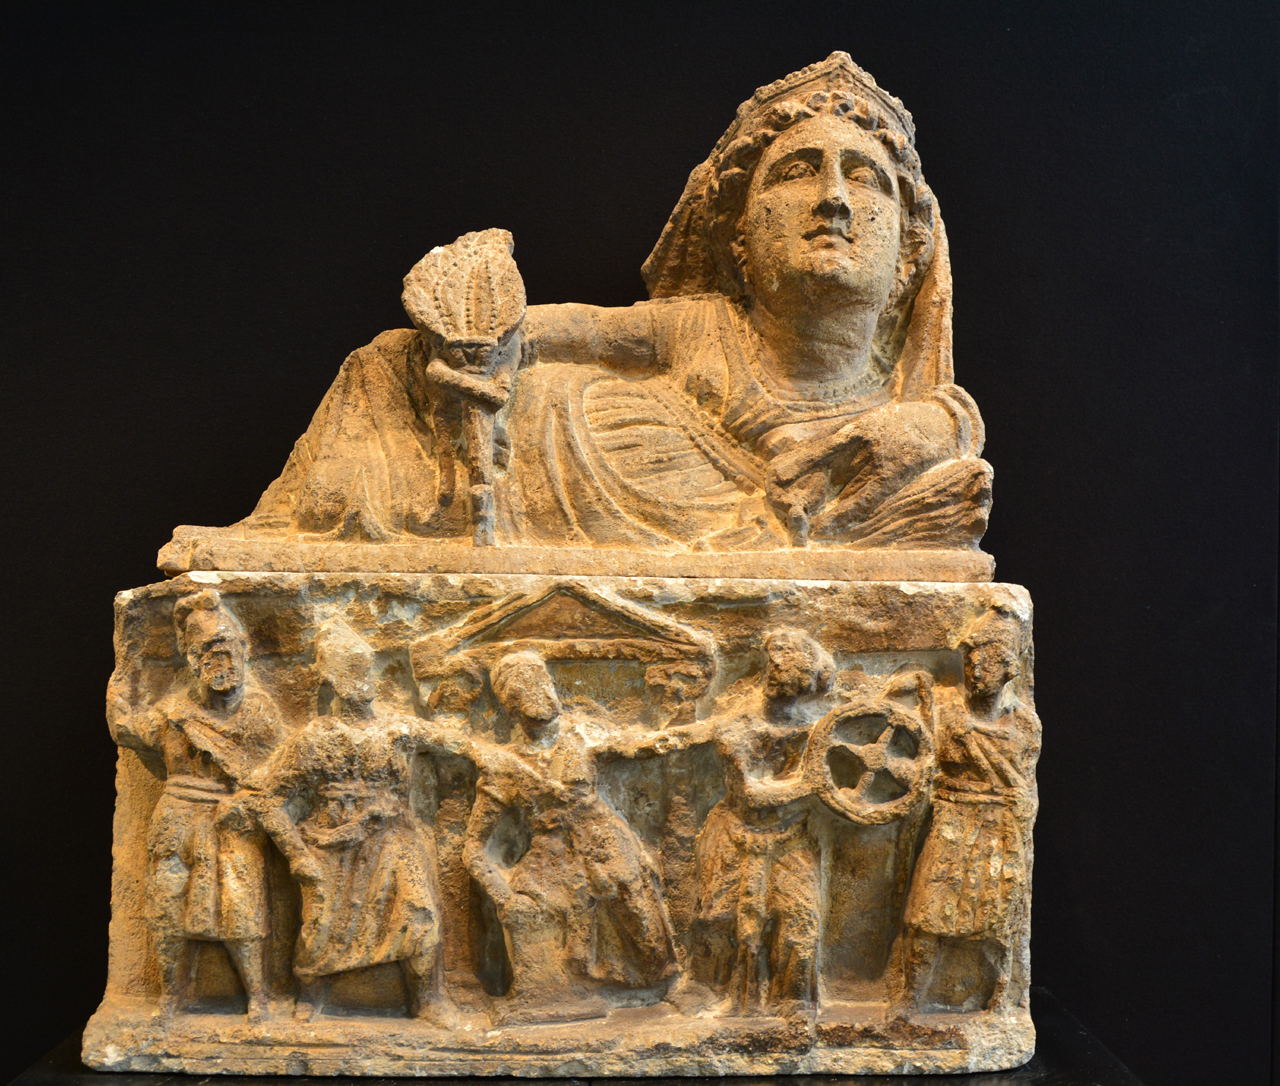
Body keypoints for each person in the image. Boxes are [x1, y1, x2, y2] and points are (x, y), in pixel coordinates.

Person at [234, 52, 989, 552]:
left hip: (733, 528)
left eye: (865, 177)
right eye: (796, 171)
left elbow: (951, 445)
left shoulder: (925, 429)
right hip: (587, 485)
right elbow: (569, 332)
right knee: (392, 364)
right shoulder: (700, 327)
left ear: (910, 253)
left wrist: (935, 428)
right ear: (738, 240)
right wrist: (483, 332)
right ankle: (323, 529)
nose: (833, 199)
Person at [252, 616, 459, 1024]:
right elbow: (267, 801)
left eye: (365, 668)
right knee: (321, 925)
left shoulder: (398, 729)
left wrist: (453, 695)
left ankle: (428, 999)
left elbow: (456, 742)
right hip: (330, 843)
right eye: (351, 669)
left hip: (392, 837)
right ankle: (310, 994)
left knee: (418, 909)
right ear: (330, 678)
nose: (362, 679)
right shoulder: (313, 738)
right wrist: (296, 854)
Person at [462, 651, 680, 1025]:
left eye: (544, 682)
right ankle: (552, 995)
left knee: (650, 943)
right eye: (527, 687)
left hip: (607, 848)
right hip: (551, 859)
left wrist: (693, 729)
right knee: (529, 913)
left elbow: (645, 744)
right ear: (510, 705)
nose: (543, 693)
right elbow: (473, 846)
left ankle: (650, 992)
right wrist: (502, 894)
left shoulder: (583, 736)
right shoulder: (504, 766)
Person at [107, 589, 285, 1020]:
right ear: (191, 659)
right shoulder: (173, 713)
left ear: (244, 650)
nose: (219, 660)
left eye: (226, 649)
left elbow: (278, 772)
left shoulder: (259, 712)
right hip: (178, 820)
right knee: (168, 907)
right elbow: (125, 728)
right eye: (207, 652)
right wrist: (126, 668)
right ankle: (172, 995)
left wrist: (249, 802)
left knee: (242, 907)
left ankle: (258, 996)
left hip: (231, 820)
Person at [681, 629, 835, 1019]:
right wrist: (812, 787)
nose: (782, 686)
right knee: (722, 920)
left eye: (794, 684)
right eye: (777, 674)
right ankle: (719, 992)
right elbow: (751, 794)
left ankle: (793, 1000)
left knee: (801, 920)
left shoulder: (819, 731)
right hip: (736, 833)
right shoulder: (737, 727)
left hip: (792, 837)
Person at [895, 608, 1040, 1013]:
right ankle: (910, 997)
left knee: (999, 920)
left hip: (1001, 827)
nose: (976, 673)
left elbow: (1026, 787)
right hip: (951, 819)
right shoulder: (944, 711)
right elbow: (920, 764)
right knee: (925, 913)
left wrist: (1020, 815)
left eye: (986, 665)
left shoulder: (1024, 725)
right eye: (971, 664)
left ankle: (1001, 997)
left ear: (1008, 670)